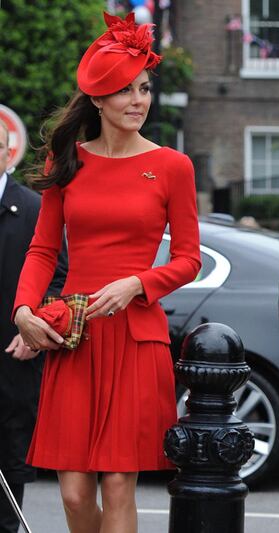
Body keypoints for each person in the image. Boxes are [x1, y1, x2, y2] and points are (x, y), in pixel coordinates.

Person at [12, 12, 200, 533]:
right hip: (76, 340)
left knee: (118, 484)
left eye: (143, 88)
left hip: (136, 339)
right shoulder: (66, 159)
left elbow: (189, 258)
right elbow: (43, 248)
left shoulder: (171, 166)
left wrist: (140, 282)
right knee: (73, 493)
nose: (138, 100)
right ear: (97, 99)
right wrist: (24, 310)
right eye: (124, 90)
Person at [0, 122, 68, 533]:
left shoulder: (33, 208)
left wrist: (36, 327)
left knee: (10, 464)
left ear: (9, 152)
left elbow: (59, 276)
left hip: (12, 358)